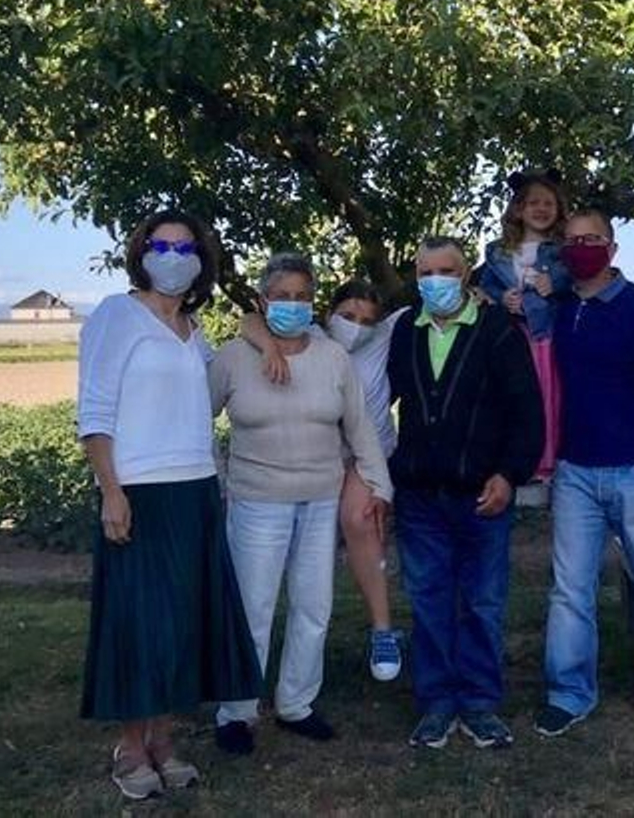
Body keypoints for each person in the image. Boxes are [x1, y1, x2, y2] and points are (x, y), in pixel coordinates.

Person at [76, 213, 261, 800]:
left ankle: (164, 740)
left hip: (196, 488)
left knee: (183, 622)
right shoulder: (116, 315)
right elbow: (95, 412)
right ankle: (130, 746)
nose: (173, 255)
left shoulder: (193, 328)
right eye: (162, 245)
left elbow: (203, 405)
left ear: (201, 259)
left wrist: (255, 327)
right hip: (140, 491)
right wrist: (111, 490)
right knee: (139, 625)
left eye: (186, 247)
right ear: (142, 253)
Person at [212, 254, 393, 753]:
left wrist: (379, 485)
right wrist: (216, 478)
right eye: (281, 296)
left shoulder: (332, 358)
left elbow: (359, 427)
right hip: (256, 502)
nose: (292, 305)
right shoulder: (232, 357)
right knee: (253, 608)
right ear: (262, 300)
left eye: (302, 296)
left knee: (314, 605)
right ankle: (237, 710)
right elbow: (196, 422)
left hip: (319, 499)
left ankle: (297, 704)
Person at [535, 208, 634, 738]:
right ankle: (569, 693)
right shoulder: (557, 308)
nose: (582, 247)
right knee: (570, 589)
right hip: (576, 472)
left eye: (593, 239)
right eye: (573, 240)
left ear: (613, 248)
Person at [387, 236, 543, 749]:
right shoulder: (404, 330)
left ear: (466, 277)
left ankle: (478, 703)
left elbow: (526, 413)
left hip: (482, 494)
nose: (436, 280)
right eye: (425, 271)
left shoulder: (497, 330)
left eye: (447, 270)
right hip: (419, 496)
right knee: (428, 600)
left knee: (482, 602)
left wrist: (508, 474)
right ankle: (435, 703)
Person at [323, 280, 410, 681]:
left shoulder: (387, 334)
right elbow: (253, 320)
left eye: (366, 320)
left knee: (360, 519)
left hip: (370, 453)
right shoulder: (307, 336)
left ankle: (382, 630)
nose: (356, 326)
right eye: (347, 316)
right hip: (319, 454)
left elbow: (442, 298)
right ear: (329, 313)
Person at [477, 169, 572, 481]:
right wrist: (503, 298)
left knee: (546, 396)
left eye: (548, 203)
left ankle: (544, 462)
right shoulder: (498, 252)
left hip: (544, 335)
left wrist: (554, 281)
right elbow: (486, 286)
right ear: (518, 209)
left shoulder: (562, 251)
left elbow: (574, 278)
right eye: (533, 203)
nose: (541, 209)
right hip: (512, 333)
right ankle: (510, 458)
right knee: (512, 397)